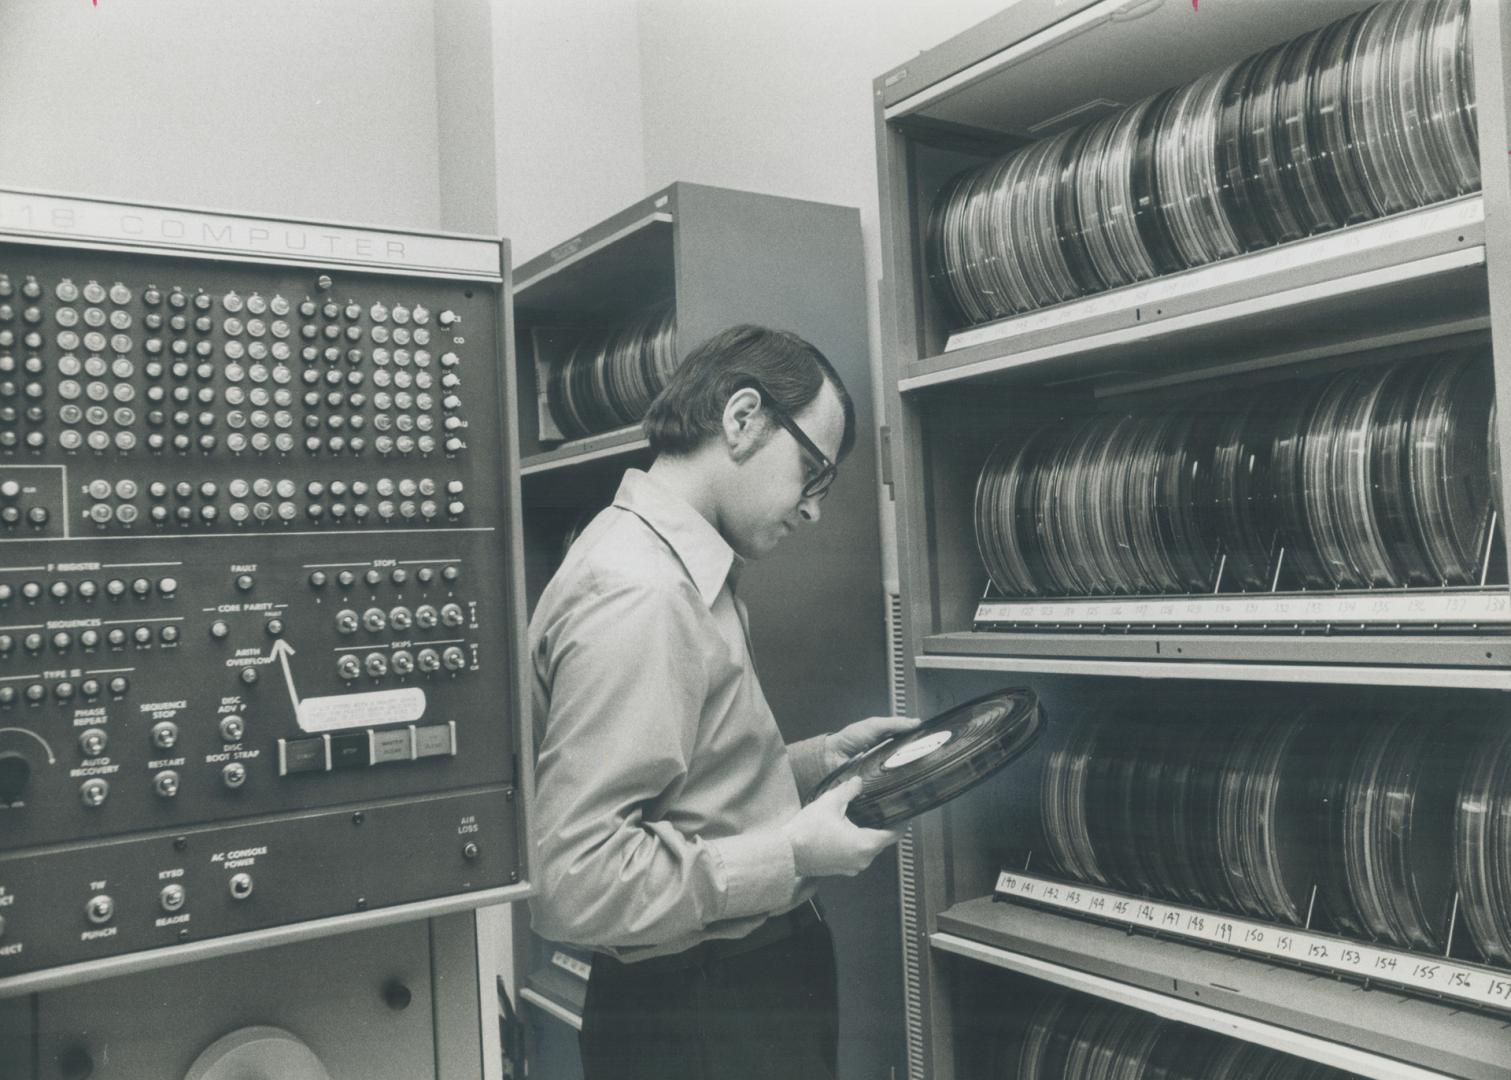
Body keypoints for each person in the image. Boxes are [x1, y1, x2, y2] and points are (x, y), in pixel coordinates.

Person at [528, 324, 918, 1080]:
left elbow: (677, 785)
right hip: (705, 1012)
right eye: (812, 473)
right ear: (742, 419)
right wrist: (791, 854)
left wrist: (809, 765)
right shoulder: (642, 593)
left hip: (721, 998)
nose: (812, 511)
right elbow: (575, 883)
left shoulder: (668, 563)